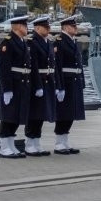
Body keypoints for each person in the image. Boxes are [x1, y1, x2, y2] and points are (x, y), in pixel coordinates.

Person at [0, 15, 36, 159]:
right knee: (8, 117)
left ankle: (11, 145)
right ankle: (4, 147)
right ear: (17, 26)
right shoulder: (8, 43)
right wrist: (7, 89)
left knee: (17, 116)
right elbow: (4, 68)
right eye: (25, 25)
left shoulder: (22, 42)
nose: (27, 28)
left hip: (22, 84)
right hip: (12, 84)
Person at [23, 15, 57, 156]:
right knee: (34, 114)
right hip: (37, 81)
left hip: (47, 81)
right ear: (37, 28)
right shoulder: (32, 42)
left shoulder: (48, 42)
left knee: (42, 113)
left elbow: (51, 64)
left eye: (49, 27)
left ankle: (36, 142)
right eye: (46, 27)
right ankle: (29, 143)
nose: (48, 29)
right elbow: (33, 66)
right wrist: (37, 86)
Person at [54, 16, 86, 154]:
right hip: (66, 82)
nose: (76, 28)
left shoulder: (73, 41)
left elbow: (79, 64)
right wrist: (59, 86)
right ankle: (59, 143)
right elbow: (57, 66)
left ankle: (65, 141)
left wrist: (82, 81)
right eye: (73, 26)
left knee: (71, 113)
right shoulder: (59, 42)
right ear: (65, 27)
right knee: (63, 113)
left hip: (75, 81)